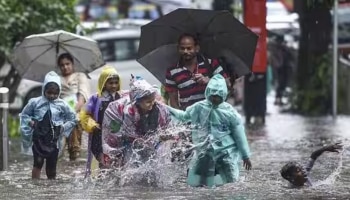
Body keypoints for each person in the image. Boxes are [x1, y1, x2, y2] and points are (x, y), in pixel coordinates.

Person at [167, 74, 252, 187]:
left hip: (225, 152)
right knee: (198, 182)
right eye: (213, 95)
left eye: (218, 96)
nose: (215, 98)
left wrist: (245, 155)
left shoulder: (230, 113)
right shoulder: (199, 107)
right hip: (204, 151)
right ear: (208, 93)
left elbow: (239, 134)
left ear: (224, 95)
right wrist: (166, 108)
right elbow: (184, 116)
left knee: (232, 181)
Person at [101, 76, 172, 167]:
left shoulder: (160, 109)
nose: (152, 104)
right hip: (125, 137)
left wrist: (166, 136)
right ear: (138, 102)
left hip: (150, 138)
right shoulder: (127, 112)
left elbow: (167, 126)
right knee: (128, 163)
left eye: (153, 100)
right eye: (148, 102)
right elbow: (129, 134)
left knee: (158, 162)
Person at [20, 71, 77, 179]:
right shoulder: (35, 102)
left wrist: (63, 128)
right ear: (44, 90)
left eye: (55, 93)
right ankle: (35, 185)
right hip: (38, 139)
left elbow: (73, 118)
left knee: (52, 168)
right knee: (37, 163)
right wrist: (29, 122)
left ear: (59, 91)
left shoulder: (62, 104)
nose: (52, 96)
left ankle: (51, 189)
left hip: (53, 140)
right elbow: (24, 114)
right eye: (49, 92)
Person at [79, 66, 128, 176]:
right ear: (103, 83)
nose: (114, 85)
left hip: (117, 136)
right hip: (99, 136)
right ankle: (102, 184)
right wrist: (92, 124)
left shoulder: (122, 97)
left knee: (117, 162)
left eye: (116, 82)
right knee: (103, 162)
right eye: (110, 83)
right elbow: (84, 115)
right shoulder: (96, 99)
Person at [165, 33, 227, 110]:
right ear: (178, 49)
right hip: (188, 117)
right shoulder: (172, 71)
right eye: (182, 48)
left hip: (212, 115)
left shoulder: (211, 64)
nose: (185, 51)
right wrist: (181, 117)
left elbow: (226, 84)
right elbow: (173, 100)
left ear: (196, 48)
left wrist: (209, 81)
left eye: (189, 48)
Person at [58, 53, 90, 161]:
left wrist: (72, 112)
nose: (65, 67)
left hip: (76, 111)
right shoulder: (57, 79)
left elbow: (82, 97)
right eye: (62, 65)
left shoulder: (80, 76)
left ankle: (74, 154)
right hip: (60, 113)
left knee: (73, 122)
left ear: (72, 64)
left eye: (67, 64)